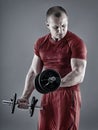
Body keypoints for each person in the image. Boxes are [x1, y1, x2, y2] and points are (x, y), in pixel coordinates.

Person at [17, 6, 87, 130]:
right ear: (48, 25)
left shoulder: (76, 42)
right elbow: (34, 72)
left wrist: (55, 83)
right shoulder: (41, 43)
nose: (60, 30)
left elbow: (78, 73)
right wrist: (25, 97)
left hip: (68, 94)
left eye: (64, 26)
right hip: (48, 94)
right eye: (56, 27)